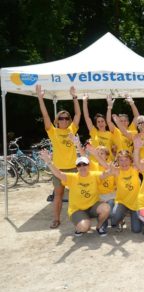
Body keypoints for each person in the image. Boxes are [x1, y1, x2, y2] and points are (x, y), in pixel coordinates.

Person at [36, 84, 81, 229]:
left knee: (77, 195)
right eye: (61, 118)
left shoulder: (71, 129)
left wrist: (75, 97)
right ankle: (56, 219)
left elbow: (78, 115)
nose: (64, 120)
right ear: (57, 120)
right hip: (58, 170)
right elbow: (45, 116)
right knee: (58, 196)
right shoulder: (53, 131)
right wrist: (40, 98)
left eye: (66, 118)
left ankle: (80, 218)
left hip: (74, 169)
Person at [40, 151, 111, 237]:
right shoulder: (72, 177)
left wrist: (112, 168)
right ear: (76, 167)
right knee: (85, 227)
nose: (82, 167)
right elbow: (58, 173)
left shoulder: (94, 175)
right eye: (79, 165)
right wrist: (49, 162)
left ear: (88, 165)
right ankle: (80, 225)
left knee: (106, 208)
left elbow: (106, 173)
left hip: (92, 206)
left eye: (84, 164)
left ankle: (99, 227)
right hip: (77, 209)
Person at [82, 94, 113, 160]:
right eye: (98, 122)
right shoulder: (94, 132)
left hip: (108, 162)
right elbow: (87, 117)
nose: (100, 123)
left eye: (102, 121)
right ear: (96, 124)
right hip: (95, 163)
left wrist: (109, 106)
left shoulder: (111, 133)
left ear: (106, 123)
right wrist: (85, 102)